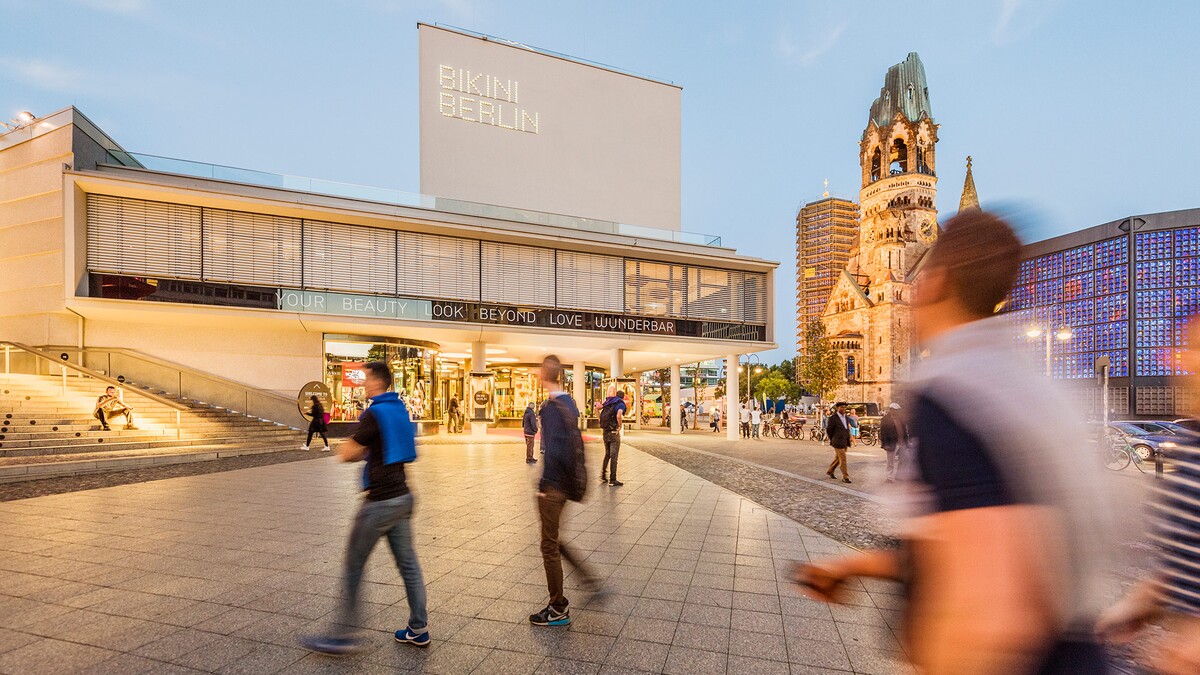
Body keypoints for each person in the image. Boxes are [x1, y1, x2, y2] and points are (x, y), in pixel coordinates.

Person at [792, 210, 1114, 674]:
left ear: (934, 281)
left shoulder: (952, 390)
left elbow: (992, 609)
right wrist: (852, 566)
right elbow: (956, 529)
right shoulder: (1031, 382)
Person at [299, 361, 429, 655]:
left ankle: (343, 635)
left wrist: (355, 448)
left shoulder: (374, 413)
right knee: (409, 566)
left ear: (377, 382)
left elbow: (347, 454)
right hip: (404, 497)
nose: (364, 384)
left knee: (353, 565)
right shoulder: (399, 409)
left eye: (367, 379)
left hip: (379, 503)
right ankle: (418, 628)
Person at [1097, 314, 1200, 675]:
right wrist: (1142, 603)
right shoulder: (1190, 442)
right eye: (1186, 348)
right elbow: (1186, 557)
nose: (1185, 361)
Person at [530, 355, 600, 627]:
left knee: (549, 545)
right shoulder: (570, 404)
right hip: (567, 484)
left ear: (545, 374)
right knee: (555, 539)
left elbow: (555, 449)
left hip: (554, 486)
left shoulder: (550, 408)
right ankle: (587, 577)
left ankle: (558, 607)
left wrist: (544, 485)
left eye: (539, 370)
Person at [599, 389, 626, 486]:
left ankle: (603, 475)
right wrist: (620, 426)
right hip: (613, 432)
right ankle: (612, 479)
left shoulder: (608, 402)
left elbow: (596, 408)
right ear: (623, 397)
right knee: (614, 456)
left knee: (607, 454)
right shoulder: (620, 403)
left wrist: (599, 419)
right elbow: (619, 415)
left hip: (605, 432)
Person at [824, 402, 853, 483]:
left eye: (844, 407)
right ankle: (845, 476)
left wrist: (849, 438)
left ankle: (830, 471)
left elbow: (846, 428)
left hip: (845, 441)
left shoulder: (846, 417)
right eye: (841, 407)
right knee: (843, 458)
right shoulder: (833, 418)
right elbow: (829, 430)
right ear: (837, 408)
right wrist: (832, 438)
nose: (843, 409)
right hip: (837, 441)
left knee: (838, 458)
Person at [879, 402, 906, 483]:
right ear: (891, 410)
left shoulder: (900, 418)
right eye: (896, 410)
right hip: (891, 443)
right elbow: (883, 433)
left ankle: (899, 475)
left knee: (903, 459)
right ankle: (889, 477)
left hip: (901, 442)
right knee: (890, 461)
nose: (898, 412)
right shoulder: (885, 419)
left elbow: (904, 430)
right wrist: (885, 444)